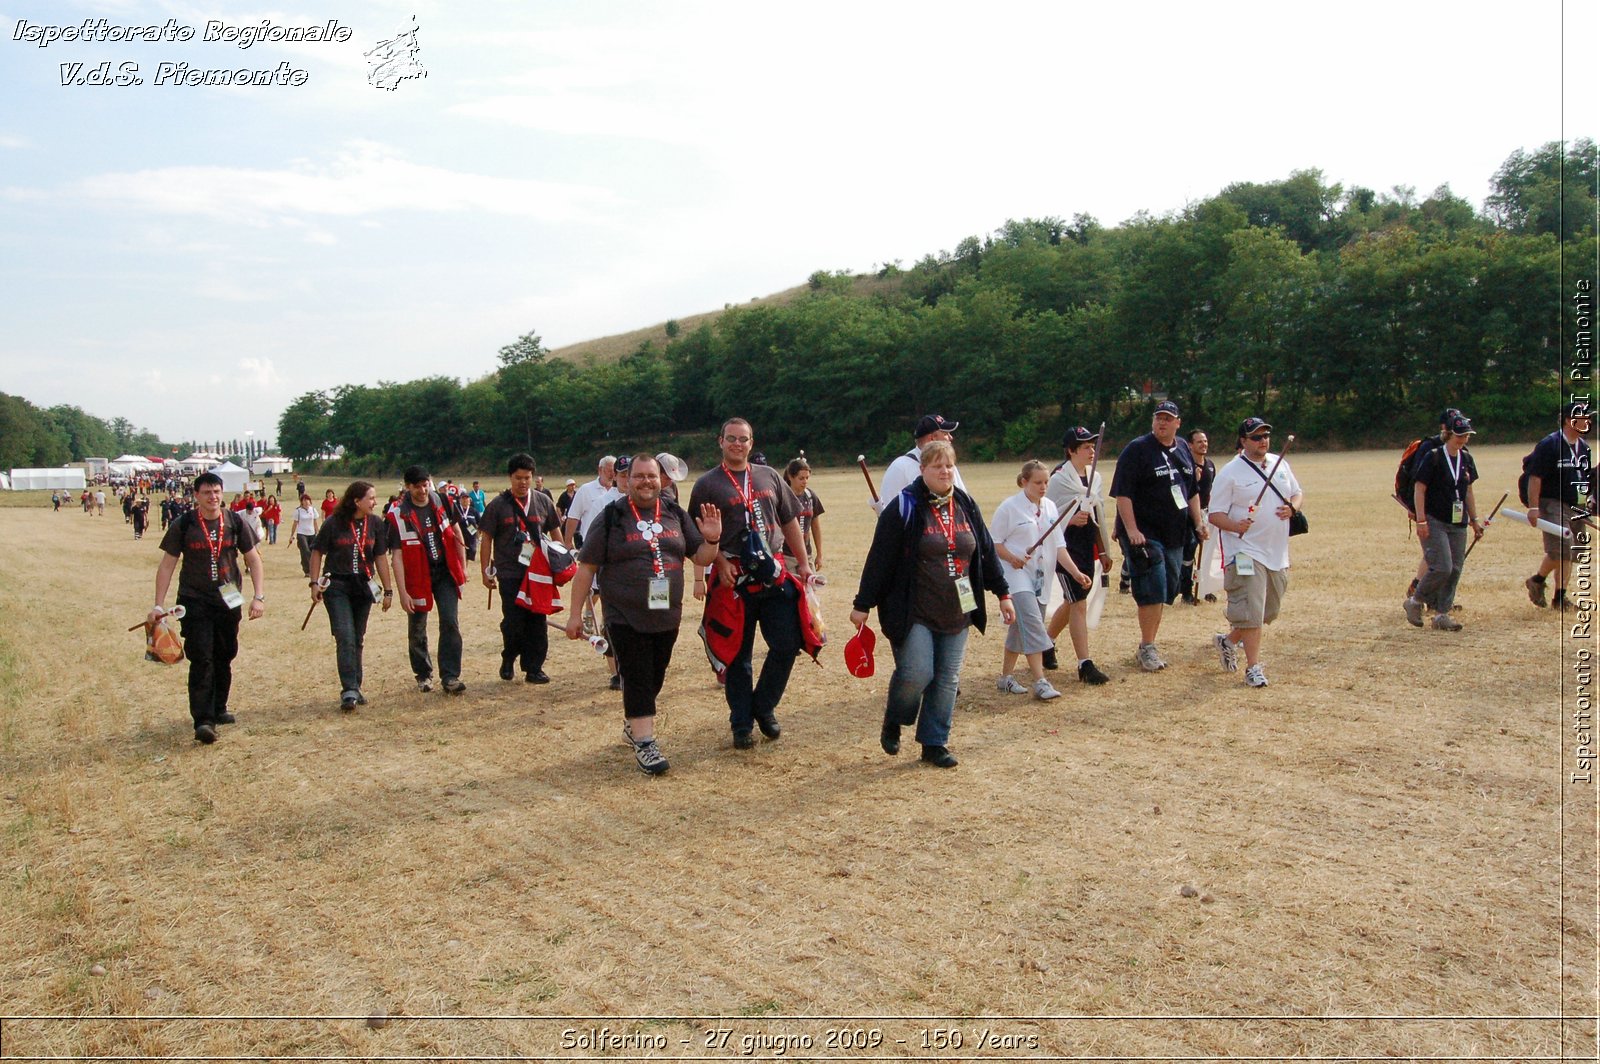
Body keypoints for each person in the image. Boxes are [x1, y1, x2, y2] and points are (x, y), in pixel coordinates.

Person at [850, 441, 1015, 768]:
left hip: (958, 606)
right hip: (914, 609)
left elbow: (984, 552)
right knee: (918, 672)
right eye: (937, 466)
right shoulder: (904, 507)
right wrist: (862, 603)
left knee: (947, 679)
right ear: (922, 470)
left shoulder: (965, 504)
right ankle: (895, 720)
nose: (944, 471)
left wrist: (1003, 593)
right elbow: (879, 559)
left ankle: (934, 742)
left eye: (949, 465)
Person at [566, 455, 724, 774]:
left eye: (651, 476)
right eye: (638, 476)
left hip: (666, 613)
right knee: (637, 673)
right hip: (623, 614)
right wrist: (574, 615)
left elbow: (702, 556)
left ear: (661, 479)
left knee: (655, 674)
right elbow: (586, 569)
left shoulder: (674, 512)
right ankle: (645, 742)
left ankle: (633, 721)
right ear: (626, 480)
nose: (646, 482)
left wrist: (712, 537)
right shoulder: (612, 516)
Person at [689, 417, 815, 748]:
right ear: (720, 441)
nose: (737, 444)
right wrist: (718, 561)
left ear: (751, 442)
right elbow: (697, 538)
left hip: (773, 575)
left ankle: (764, 707)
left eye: (743, 439)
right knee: (737, 656)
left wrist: (802, 563)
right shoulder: (707, 485)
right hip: (734, 579)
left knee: (787, 644)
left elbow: (789, 520)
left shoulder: (769, 475)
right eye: (731, 438)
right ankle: (741, 723)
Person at [148, 471, 265, 744]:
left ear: (222, 494)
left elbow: (254, 560)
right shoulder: (185, 524)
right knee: (202, 656)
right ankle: (203, 719)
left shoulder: (235, 522)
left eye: (216, 492)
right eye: (206, 493)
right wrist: (158, 604)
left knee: (225, 654)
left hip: (228, 600)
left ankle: (219, 707)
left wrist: (259, 597)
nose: (212, 497)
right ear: (196, 496)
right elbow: (167, 564)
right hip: (194, 600)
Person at [1110, 400, 1208, 671]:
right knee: (1152, 588)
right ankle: (1147, 646)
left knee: (1168, 589)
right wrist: (1131, 531)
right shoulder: (1137, 450)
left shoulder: (1184, 450)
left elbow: (1191, 491)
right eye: (1158, 418)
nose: (1162, 422)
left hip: (1175, 534)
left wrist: (1199, 523)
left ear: (1178, 423)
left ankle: (1149, 642)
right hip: (1145, 533)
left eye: (1168, 418)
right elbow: (1123, 493)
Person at [1207, 418, 1304, 687]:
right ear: (1243, 441)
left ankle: (1229, 641)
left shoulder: (1280, 463)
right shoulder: (1230, 473)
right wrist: (1236, 525)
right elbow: (1214, 514)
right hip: (1245, 551)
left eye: (1265, 436)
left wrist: (1293, 508)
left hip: (1276, 552)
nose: (1263, 441)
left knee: (1267, 612)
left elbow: (1297, 493)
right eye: (1256, 437)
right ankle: (1253, 668)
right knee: (1250, 610)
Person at [308, 481, 395, 710]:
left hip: (363, 587)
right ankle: (348, 689)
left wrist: (387, 590)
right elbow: (317, 551)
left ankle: (356, 686)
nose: (375, 502)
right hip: (337, 585)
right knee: (345, 635)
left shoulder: (375, 523)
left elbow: (380, 558)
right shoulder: (333, 523)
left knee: (357, 637)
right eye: (371, 498)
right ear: (356, 501)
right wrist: (314, 583)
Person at [991, 461, 1074, 700]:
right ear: (1024, 482)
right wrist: (1013, 558)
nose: (1043, 487)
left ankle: (1005, 678)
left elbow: (1059, 546)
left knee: (1020, 627)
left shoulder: (1049, 507)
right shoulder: (1009, 507)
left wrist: (1076, 572)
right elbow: (994, 544)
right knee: (1032, 622)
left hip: (1040, 577)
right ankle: (1040, 681)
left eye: (1046, 482)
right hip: (1014, 576)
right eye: (1038, 482)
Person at [479, 454, 564, 684]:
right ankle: (509, 657)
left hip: (538, 573)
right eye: (518, 478)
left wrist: (563, 559)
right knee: (514, 622)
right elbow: (486, 538)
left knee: (537, 621)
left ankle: (533, 668)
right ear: (510, 477)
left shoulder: (543, 501)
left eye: (527, 477)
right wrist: (485, 571)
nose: (523, 482)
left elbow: (556, 532)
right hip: (509, 572)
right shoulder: (497, 505)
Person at [387, 465, 469, 693]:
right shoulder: (397, 514)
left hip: (445, 574)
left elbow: (456, 533)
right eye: (418, 487)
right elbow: (397, 556)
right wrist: (402, 592)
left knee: (450, 622)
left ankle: (450, 676)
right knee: (417, 627)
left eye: (426, 485)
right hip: (417, 577)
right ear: (408, 487)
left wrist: (462, 566)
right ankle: (423, 674)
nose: (423, 490)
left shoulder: (442, 501)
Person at [1045, 426, 1113, 685]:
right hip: (1065, 548)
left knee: (1074, 598)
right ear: (1071, 451)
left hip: (1086, 546)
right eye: (1085, 446)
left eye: (1093, 446)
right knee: (1079, 602)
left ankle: (1046, 642)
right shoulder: (1058, 479)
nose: (1091, 451)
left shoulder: (1094, 478)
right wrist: (1070, 520)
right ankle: (1085, 663)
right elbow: (1046, 517)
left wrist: (1104, 548)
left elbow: (1098, 512)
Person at [1404, 412, 1482, 631]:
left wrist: (1474, 520)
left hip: (1458, 522)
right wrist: (1421, 520)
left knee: (1455, 568)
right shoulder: (1434, 456)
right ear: (1448, 433)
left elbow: (1468, 491)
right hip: (1434, 519)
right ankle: (1415, 601)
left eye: (1467, 435)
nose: (1464, 439)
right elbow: (1420, 488)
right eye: (1460, 435)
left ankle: (1441, 614)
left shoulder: (1466, 459)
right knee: (1442, 567)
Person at [1523, 401, 1592, 610]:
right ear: (1569, 420)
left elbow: (1584, 479)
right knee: (1561, 549)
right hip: (1551, 503)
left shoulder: (1584, 447)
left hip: (1575, 504)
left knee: (1572, 553)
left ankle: (1537, 580)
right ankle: (1560, 599)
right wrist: (1534, 508)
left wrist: (1586, 506)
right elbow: (1535, 478)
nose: (1588, 421)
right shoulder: (1549, 445)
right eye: (1583, 417)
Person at [1398, 409, 1461, 600]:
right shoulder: (1429, 448)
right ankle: (1420, 591)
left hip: (1451, 510)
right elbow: (1418, 483)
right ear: (1443, 427)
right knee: (1436, 554)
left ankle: (1434, 595)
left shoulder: (1459, 447)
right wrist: (1418, 512)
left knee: (1444, 554)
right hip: (1430, 510)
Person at [876, 414, 967, 513]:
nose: (951, 437)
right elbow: (889, 513)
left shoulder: (948, 467)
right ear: (932, 439)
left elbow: (964, 504)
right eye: (945, 434)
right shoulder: (900, 467)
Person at [1180, 429, 1217, 604]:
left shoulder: (1210, 465)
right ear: (1190, 445)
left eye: (1205, 441)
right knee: (1189, 551)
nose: (1204, 444)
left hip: (1206, 513)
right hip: (1188, 515)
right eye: (1199, 442)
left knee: (1206, 553)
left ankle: (1204, 588)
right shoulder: (1186, 467)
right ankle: (1186, 590)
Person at [564, 457, 619, 549]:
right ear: (600, 470)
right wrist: (568, 542)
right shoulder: (585, 490)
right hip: (591, 543)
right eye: (610, 471)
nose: (613, 474)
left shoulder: (621, 491)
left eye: (615, 471)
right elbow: (573, 517)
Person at [783, 456, 826, 576]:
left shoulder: (810, 496)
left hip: (806, 554)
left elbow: (816, 526)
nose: (805, 481)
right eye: (801, 478)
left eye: (807, 478)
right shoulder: (783, 497)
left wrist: (819, 554)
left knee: (810, 590)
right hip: (787, 555)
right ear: (791, 477)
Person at [288, 493, 320, 577]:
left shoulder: (313, 510)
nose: (306, 502)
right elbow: (295, 523)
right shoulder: (298, 511)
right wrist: (292, 535)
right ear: (301, 502)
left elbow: (315, 522)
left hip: (312, 533)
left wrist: (318, 533)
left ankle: (312, 568)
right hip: (302, 533)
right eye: (304, 500)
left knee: (312, 551)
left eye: (307, 500)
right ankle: (307, 570)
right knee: (305, 551)